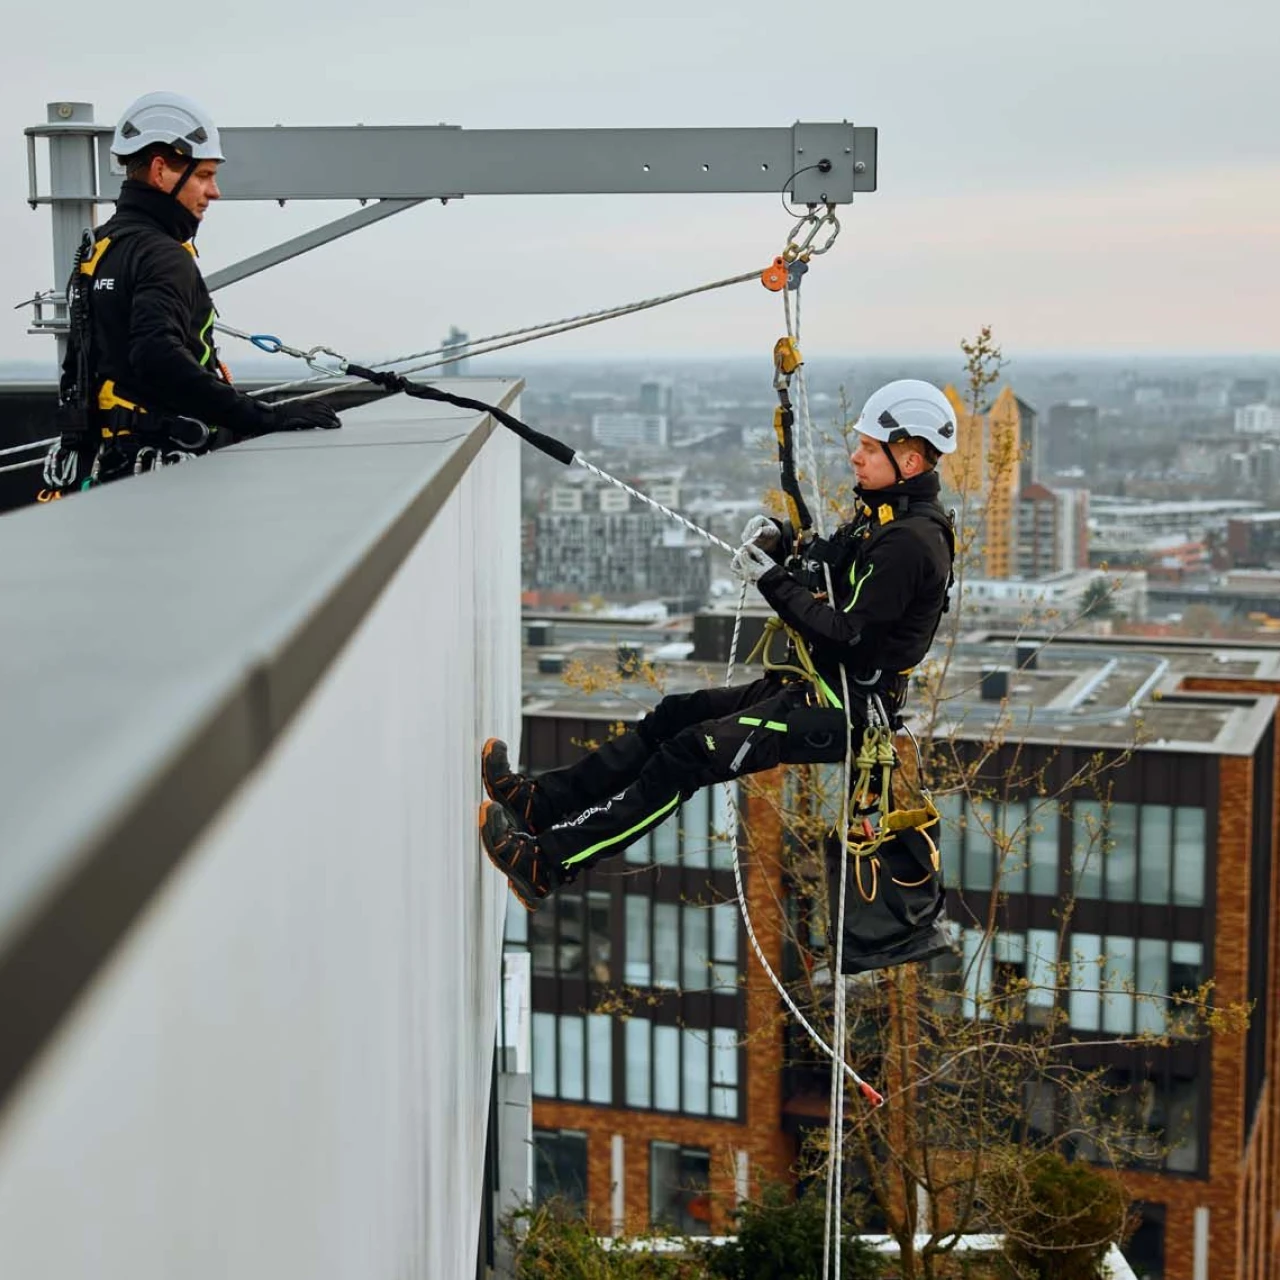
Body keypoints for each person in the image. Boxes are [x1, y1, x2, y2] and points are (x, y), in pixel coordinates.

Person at [479, 379, 958, 909]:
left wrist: (771, 580)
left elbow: (849, 637)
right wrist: (781, 539)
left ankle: (546, 864)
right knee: (674, 716)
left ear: (909, 462)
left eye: (869, 448)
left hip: (842, 709)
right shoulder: (884, 518)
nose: (855, 456)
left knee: (688, 756)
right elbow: (829, 565)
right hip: (817, 689)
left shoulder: (912, 543)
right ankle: (540, 803)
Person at [48, 92, 339, 491]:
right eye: (203, 176)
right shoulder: (163, 254)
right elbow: (157, 355)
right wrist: (265, 417)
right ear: (160, 170)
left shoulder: (99, 247)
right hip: (161, 475)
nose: (214, 191)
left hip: (105, 466)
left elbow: (80, 366)